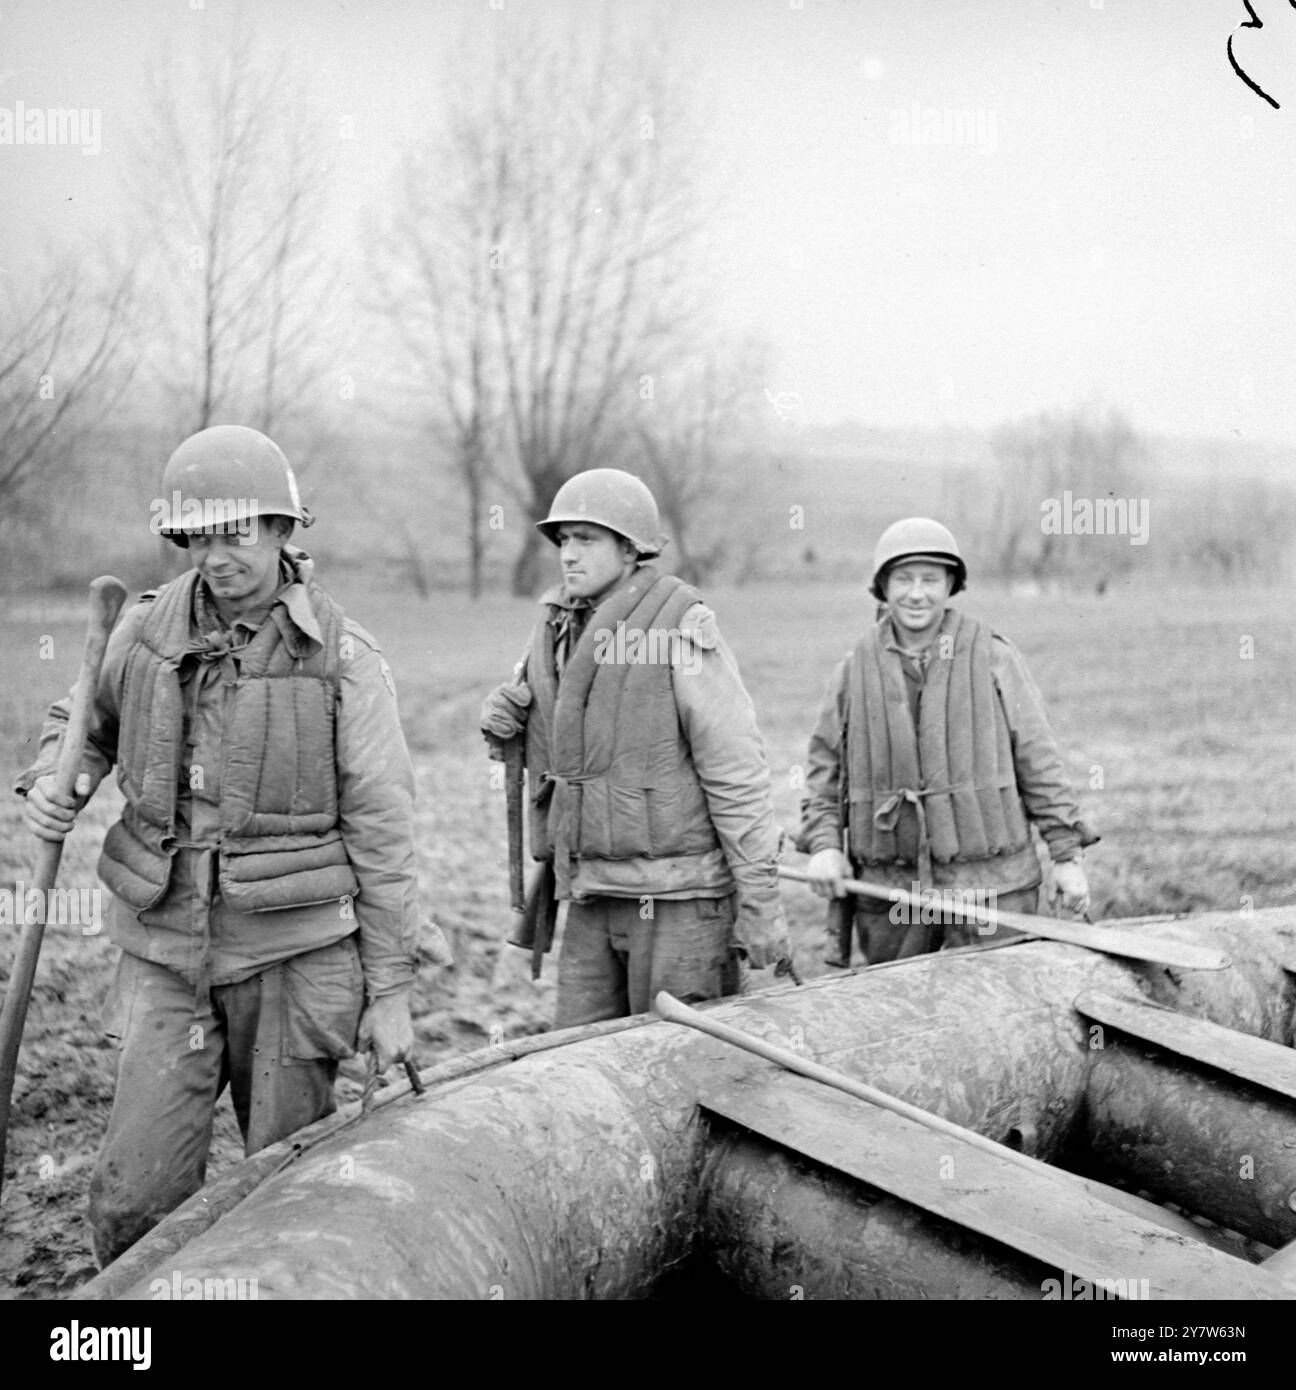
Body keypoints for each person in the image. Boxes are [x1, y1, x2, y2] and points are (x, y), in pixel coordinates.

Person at [16, 425, 440, 1266]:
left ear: (285, 531)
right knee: (132, 1204)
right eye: (200, 536)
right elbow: (80, 723)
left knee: (289, 1201)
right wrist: (51, 782)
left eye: (236, 532)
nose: (216, 555)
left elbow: (386, 837)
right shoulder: (141, 633)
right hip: (165, 953)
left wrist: (390, 991)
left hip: (295, 958)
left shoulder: (343, 661)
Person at [480, 468, 791, 1027]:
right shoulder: (556, 629)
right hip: (592, 892)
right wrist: (510, 724)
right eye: (564, 540)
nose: (569, 555)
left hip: (681, 900)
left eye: (587, 539)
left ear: (630, 549)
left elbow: (735, 770)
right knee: (581, 1067)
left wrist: (761, 900)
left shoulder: (680, 627)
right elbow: (569, 744)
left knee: (692, 1068)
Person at [797, 517, 1097, 965]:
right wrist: (823, 847)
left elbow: (1037, 759)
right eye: (903, 579)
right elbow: (825, 774)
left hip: (993, 891)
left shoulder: (993, 656)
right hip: (889, 895)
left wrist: (1066, 855)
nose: (916, 593)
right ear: (882, 586)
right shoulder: (853, 670)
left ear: (951, 584)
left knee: (1001, 1011)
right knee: (903, 1016)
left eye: (930, 579)